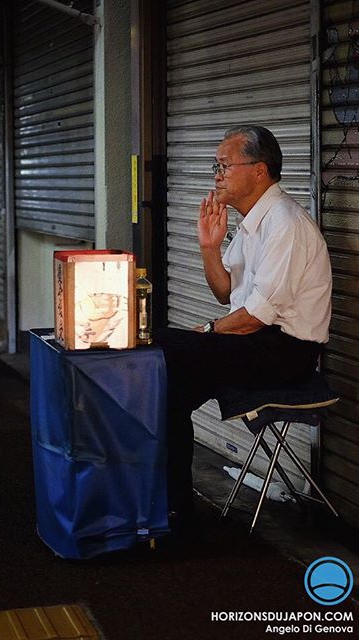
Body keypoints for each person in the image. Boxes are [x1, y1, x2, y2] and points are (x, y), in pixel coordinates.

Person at [157, 125, 332, 530]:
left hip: (286, 352)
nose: (216, 175)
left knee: (165, 344)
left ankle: (174, 511)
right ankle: (174, 510)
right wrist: (209, 248)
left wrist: (207, 331)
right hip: (254, 344)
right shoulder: (253, 223)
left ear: (259, 171)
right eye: (215, 166)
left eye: (224, 166)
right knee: (170, 396)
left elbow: (254, 317)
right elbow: (225, 292)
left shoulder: (284, 223)